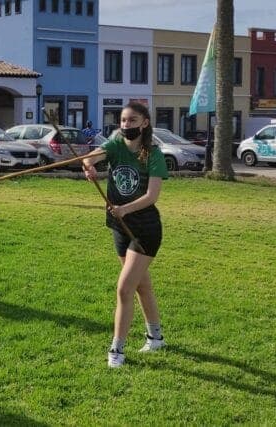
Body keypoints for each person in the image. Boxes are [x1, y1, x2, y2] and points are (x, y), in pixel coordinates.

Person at [81, 102, 169, 368]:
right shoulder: (116, 143)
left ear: (144, 122)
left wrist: (124, 209)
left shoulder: (153, 154)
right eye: (122, 120)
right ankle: (156, 338)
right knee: (141, 285)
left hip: (144, 228)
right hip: (119, 226)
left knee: (124, 288)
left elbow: (151, 196)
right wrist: (89, 168)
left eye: (131, 121)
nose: (125, 125)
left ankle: (117, 350)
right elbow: (89, 157)